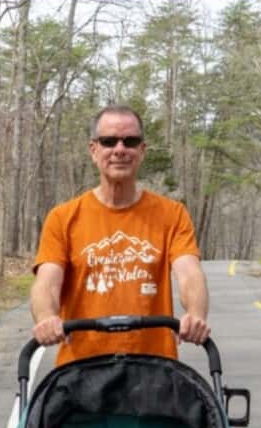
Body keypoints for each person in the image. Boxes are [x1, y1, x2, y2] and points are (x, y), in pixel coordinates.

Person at [31, 105, 210, 365]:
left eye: (130, 141)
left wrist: (195, 313)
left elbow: (189, 273)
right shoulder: (63, 218)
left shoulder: (172, 214)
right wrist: (47, 317)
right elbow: (47, 282)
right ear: (94, 150)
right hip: (82, 369)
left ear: (142, 151)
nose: (120, 149)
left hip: (153, 368)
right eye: (108, 141)